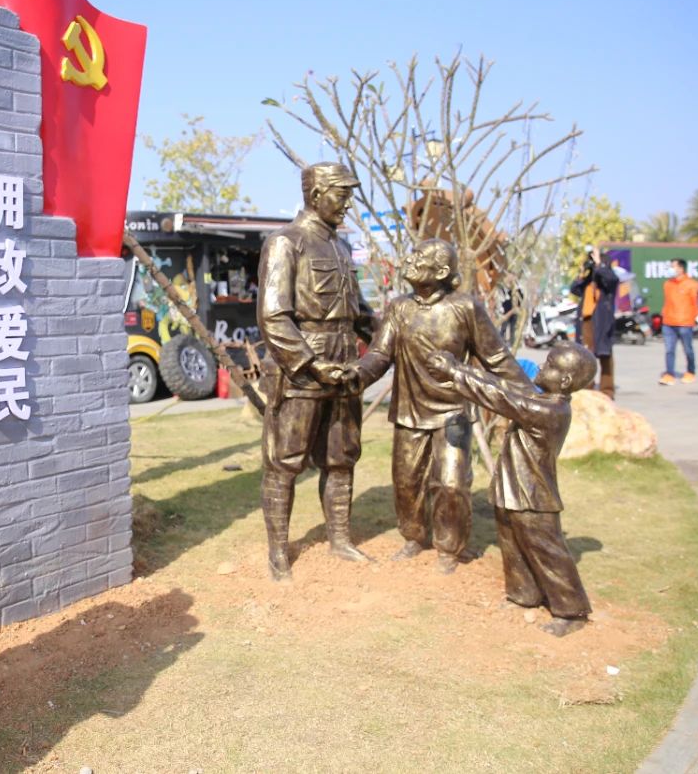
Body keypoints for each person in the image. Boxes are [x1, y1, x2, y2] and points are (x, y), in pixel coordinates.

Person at [353, 239, 532, 573]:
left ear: (442, 271)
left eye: (420, 257)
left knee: (452, 484)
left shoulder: (465, 308)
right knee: (407, 483)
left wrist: (530, 395)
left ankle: (450, 548)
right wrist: (356, 376)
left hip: (453, 413)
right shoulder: (398, 308)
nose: (410, 260)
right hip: (409, 411)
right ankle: (413, 537)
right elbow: (379, 354)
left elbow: (496, 358)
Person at [424, 342, 597, 636]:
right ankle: (523, 594)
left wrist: (454, 373)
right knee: (512, 543)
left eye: (550, 365)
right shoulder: (539, 399)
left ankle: (571, 611)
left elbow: (500, 398)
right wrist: (461, 369)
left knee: (547, 550)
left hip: (533, 495)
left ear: (565, 380)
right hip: (511, 487)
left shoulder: (549, 410)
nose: (541, 366)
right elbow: (503, 387)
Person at [256, 162, 376, 580]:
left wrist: (389, 335)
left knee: (341, 456)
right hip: (301, 370)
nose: (347, 204)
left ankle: (340, 539)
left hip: (344, 364)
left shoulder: (340, 247)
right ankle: (278, 552)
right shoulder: (285, 242)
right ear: (316, 194)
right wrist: (308, 363)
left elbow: (359, 311)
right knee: (284, 462)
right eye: (341, 194)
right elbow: (273, 316)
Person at [570, 247, 618, 399]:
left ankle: (607, 390)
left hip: (602, 323)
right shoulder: (587, 282)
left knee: (605, 356)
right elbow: (574, 289)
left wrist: (599, 264)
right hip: (586, 322)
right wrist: (582, 272)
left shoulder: (607, 282)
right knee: (586, 357)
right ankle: (587, 388)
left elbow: (611, 279)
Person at [660, 258, 698, 385]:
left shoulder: (692, 284)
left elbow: (696, 303)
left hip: (685, 322)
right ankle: (669, 374)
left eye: (673, 266)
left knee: (688, 349)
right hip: (668, 322)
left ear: (681, 269)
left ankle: (690, 372)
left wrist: (695, 318)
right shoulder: (667, 284)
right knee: (669, 350)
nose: (670, 269)